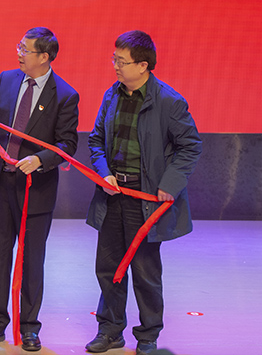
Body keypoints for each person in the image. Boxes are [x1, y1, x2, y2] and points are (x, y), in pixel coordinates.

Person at [85, 30, 201, 355]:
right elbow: (96, 140)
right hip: (113, 195)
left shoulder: (168, 101)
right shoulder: (112, 95)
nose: (116, 66)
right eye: (114, 59)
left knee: (145, 272)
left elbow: (190, 146)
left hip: (145, 200)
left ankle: (148, 336)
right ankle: (110, 331)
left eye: (122, 61)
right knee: (108, 267)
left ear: (143, 65)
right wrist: (104, 173)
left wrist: (170, 183)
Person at [0, 27, 79, 351]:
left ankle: (29, 328)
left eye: (25, 49)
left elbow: (67, 144)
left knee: (32, 262)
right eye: (19, 46)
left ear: (44, 57)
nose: (18, 53)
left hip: (36, 189)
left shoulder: (65, 95)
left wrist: (40, 159)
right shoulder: (6, 79)